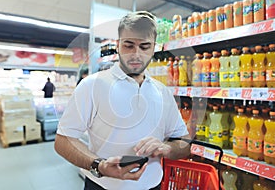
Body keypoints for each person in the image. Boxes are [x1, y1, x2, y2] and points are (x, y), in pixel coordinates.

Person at [54, 11, 190, 190]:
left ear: (154, 47)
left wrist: (168, 148)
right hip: (102, 186)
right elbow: (63, 140)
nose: (136, 54)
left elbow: (185, 143)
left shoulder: (162, 92)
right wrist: (99, 165)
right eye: (129, 45)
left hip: (153, 186)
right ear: (118, 45)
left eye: (144, 47)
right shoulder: (92, 85)